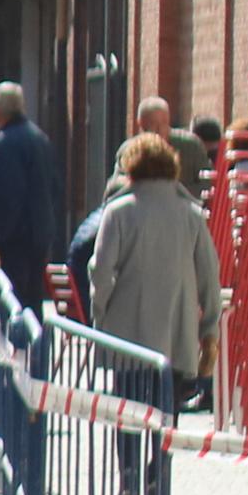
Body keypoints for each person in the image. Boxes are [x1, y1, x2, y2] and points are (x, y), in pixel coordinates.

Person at [87, 127, 224, 418]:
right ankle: (161, 462)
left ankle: (128, 463)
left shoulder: (117, 211)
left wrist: (100, 314)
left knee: (127, 411)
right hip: (177, 333)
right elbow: (210, 274)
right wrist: (209, 328)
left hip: (127, 335)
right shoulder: (192, 214)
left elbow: (100, 270)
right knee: (167, 412)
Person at [0, 80, 60, 311]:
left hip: (16, 240)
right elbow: (55, 186)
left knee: (14, 303)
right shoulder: (40, 138)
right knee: (33, 302)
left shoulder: (6, 144)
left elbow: (8, 196)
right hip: (40, 234)